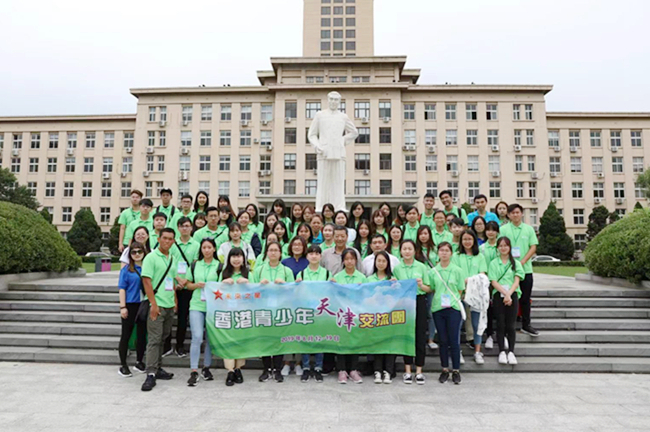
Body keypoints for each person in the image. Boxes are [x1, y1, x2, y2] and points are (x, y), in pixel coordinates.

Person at [307, 91, 359, 211]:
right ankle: (320, 207)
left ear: (339, 102)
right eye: (331, 99)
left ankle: (339, 207)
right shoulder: (320, 115)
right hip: (323, 152)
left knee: (338, 183)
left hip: (339, 153)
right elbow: (312, 134)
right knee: (323, 182)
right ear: (328, 100)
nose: (333, 102)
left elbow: (354, 132)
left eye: (336, 100)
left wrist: (342, 141)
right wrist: (317, 145)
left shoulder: (343, 117)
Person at [251, 242, 295, 383]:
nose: (274, 253)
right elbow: (251, 291)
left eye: (276, 250)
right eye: (271, 250)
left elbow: (294, 290)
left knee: (278, 339)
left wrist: (284, 285)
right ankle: (266, 369)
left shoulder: (286, 271)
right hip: (263, 309)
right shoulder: (258, 270)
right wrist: (259, 286)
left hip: (281, 309)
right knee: (265, 339)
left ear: (281, 253)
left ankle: (277, 369)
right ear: (267, 253)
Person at [141, 228, 178, 392]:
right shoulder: (151, 257)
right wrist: (153, 304)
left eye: (170, 239)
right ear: (158, 238)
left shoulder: (172, 258)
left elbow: (171, 281)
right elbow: (147, 281)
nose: (167, 241)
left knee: (163, 338)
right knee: (154, 340)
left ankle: (158, 368)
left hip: (169, 304)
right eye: (164, 238)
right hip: (157, 305)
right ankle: (150, 373)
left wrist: (175, 300)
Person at [393, 240, 431, 385]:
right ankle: (407, 370)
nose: (407, 251)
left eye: (410, 249)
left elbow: (429, 288)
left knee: (420, 335)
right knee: (406, 336)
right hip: (404, 303)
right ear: (400, 251)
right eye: (404, 249)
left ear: (415, 251)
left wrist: (421, 285)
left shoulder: (421, 267)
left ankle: (419, 370)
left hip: (419, 301)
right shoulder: (397, 268)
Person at [183, 238, 220, 386]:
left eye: (209, 247)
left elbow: (223, 285)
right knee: (197, 337)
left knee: (210, 338)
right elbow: (187, 285)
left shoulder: (220, 266)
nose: (206, 250)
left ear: (214, 249)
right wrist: (196, 285)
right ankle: (193, 370)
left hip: (214, 306)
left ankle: (206, 367)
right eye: (204, 247)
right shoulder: (195, 265)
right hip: (197, 305)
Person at [499, 203, 539, 337]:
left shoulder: (528, 229)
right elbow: (500, 247)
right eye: (512, 213)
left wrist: (522, 261)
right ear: (508, 215)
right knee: (509, 296)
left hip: (526, 269)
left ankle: (526, 325)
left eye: (518, 212)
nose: (515, 215)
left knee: (526, 298)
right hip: (508, 270)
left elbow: (533, 247)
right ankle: (507, 326)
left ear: (522, 214)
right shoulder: (503, 229)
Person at [429, 242, 465, 385]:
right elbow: (431, 288)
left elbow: (460, 290)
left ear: (451, 253)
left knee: (454, 340)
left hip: (453, 308)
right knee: (443, 340)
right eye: (441, 250)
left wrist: (452, 300)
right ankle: (444, 369)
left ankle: (456, 370)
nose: (444, 253)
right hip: (438, 308)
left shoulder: (457, 270)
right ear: (438, 253)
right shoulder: (433, 271)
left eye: (446, 250)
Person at [332, 248, 367, 384]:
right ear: (343, 261)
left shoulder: (362, 277)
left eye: (352, 259)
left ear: (356, 260)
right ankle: (341, 370)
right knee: (341, 341)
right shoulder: (337, 277)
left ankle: (353, 369)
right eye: (346, 259)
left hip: (356, 314)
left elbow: (366, 296)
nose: (349, 261)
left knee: (354, 341)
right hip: (341, 315)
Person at [167, 216, 200, 358]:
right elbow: (170, 263)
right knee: (170, 315)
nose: (184, 228)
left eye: (187, 225)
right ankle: (167, 346)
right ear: (178, 228)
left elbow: (195, 265)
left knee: (183, 317)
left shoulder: (196, 244)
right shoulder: (173, 244)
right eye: (182, 226)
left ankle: (180, 345)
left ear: (191, 227)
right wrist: (177, 280)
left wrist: (185, 281)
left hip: (188, 286)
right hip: (174, 285)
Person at [453, 230, 488, 365]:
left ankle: (477, 352)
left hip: (476, 295)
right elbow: (455, 274)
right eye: (464, 239)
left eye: (469, 239)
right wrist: (466, 281)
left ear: (474, 240)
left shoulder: (479, 257)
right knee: (458, 324)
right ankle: (458, 352)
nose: (467, 242)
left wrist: (471, 281)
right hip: (460, 293)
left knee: (476, 324)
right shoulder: (456, 256)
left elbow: (483, 274)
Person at [295, 245, 329, 383]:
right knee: (305, 339)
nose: (314, 256)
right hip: (306, 311)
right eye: (311, 253)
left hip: (321, 311)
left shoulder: (327, 273)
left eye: (317, 253)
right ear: (307, 256)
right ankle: (306, 367)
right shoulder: (301, 274)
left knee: (320, 339)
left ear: (320, 256)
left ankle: (318, 368)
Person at [488, 237, 524, 366]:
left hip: (512, 295)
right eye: (501, 246)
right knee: (500, 324)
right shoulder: (493, 263)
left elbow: (517, 280)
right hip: (499, 295)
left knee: (511, 325)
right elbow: (493, 281)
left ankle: (511, 352)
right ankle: (502, 351)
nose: (503, 248)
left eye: (506, 245)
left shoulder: (516, 263)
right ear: (497, 248)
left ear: (510, 247)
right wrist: (504, 293)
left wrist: (509, 294)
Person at [219, 248, 250, 386]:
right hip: (228, 311)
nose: (236, 259)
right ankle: (230, 370)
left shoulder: (249, 274)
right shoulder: (223, 273)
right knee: (228, 340)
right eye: (233, 256)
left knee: (241, 340)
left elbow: (256, 293)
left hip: (243, 312)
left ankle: (238, 368)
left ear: (243, 259)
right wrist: (223, 284)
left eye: (239, 256)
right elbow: (216, 291)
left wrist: (248, 284)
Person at [117, 242, 147, 377]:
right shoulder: (127, 270)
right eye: (133, 252)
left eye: (139, 251)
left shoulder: (147, 268)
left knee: (141, 335)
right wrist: (122, 306)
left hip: (143, 304)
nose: (137, 254)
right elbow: (122, 288)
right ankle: (123, 364)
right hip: (130, 304)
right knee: (126, 334)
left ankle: (140, 361)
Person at [368, 251, 395, 383]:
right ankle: (377, 371)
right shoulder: (369, 279)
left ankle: (388, 371)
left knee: (389, 344)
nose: (381, 263)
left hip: (389, 317)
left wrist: (397, 286)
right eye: (379, 261)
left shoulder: (392, 279)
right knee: (378, 344)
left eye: (384, 261)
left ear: (388, 263)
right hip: (374, 316)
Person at [415, 225, 439, 350]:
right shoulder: (415, 250)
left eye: (426, 233)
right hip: (418, 286)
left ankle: (431, 338)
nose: (423, 236)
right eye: (421, 234)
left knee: (431, 312)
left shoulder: (435, 250)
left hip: (432, 285)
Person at [480, 221, 501, 350]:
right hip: (486, 282)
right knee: (487, 310)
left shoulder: (502, 246)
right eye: (488, 230)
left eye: (493, 230)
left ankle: (501, 335)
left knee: (500, 310)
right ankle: (489, 335)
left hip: (500, 282)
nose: (490, 232)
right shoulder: (482, 248)